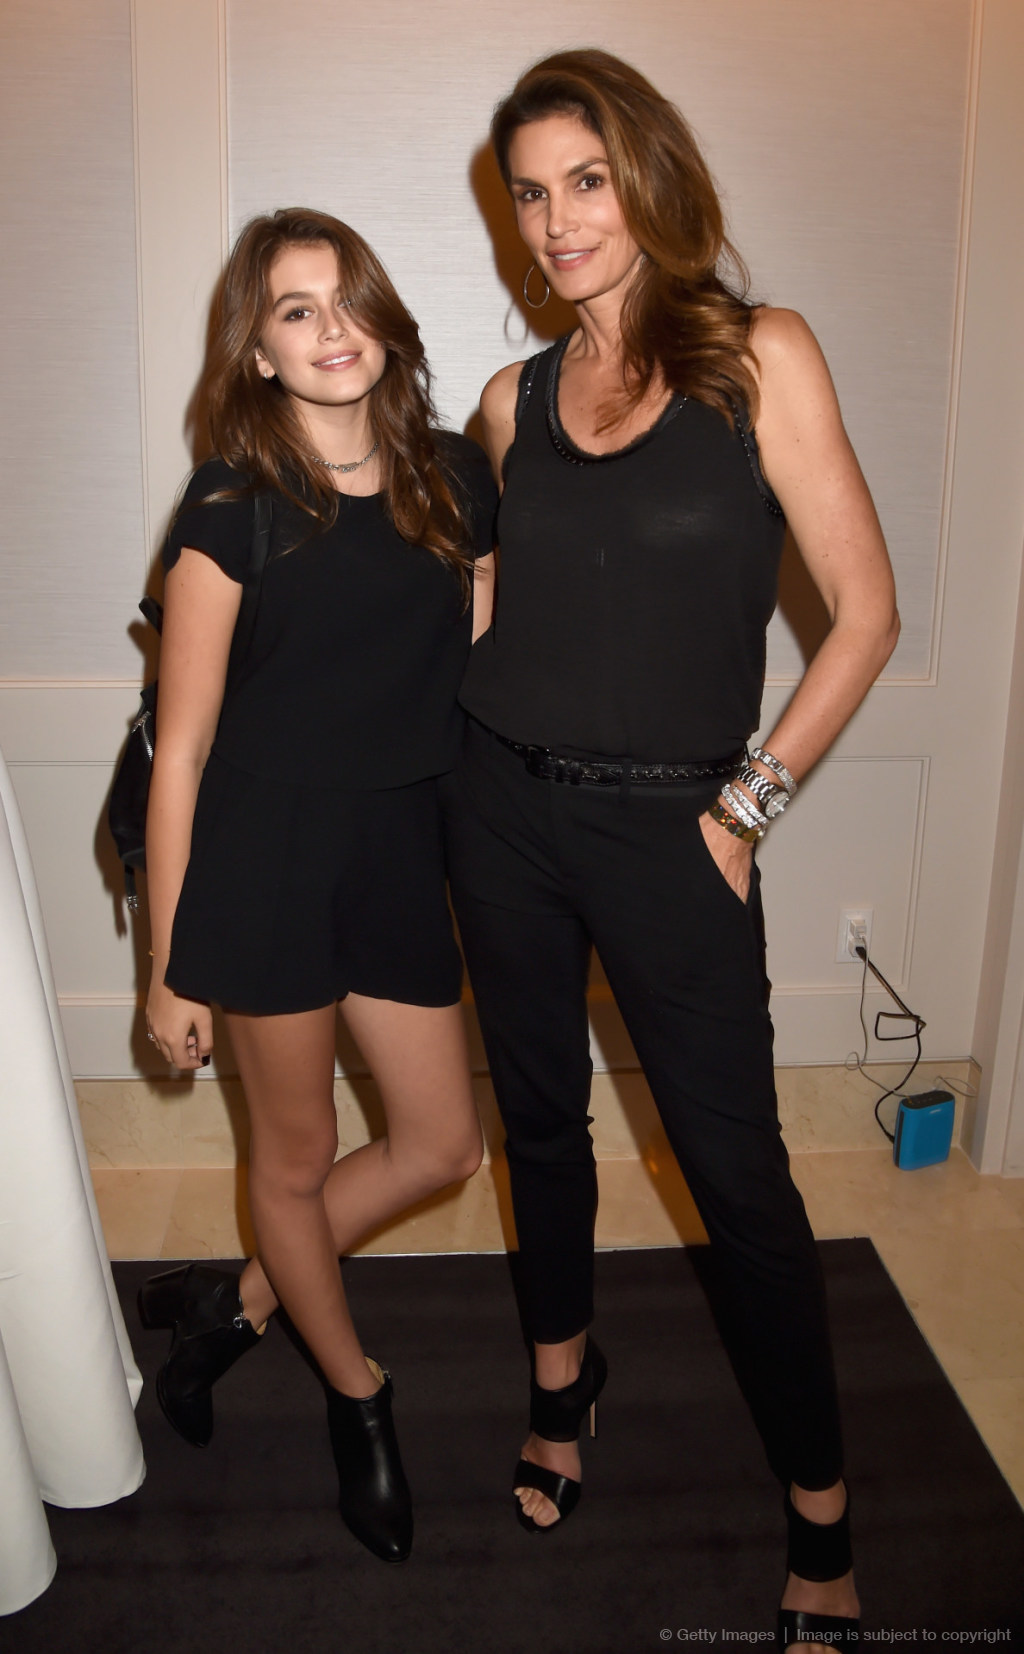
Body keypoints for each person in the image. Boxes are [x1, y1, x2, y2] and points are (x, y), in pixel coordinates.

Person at [445, 49, 898, 1650]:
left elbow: (866, 614)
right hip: (501, 810)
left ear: (649, 176)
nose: (557, 220)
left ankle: (824, 1516)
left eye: (586, 180)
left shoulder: (760, 358)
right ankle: (562, 1390)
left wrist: (742, 810)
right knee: (540, 1125)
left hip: (677, 829)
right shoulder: (509, 404)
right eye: (530, 193)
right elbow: (486, 621)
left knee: (737, 1179)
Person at [140, 207, 496, 1564]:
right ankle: (359, 1394)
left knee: (442, 1145)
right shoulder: (230, 504)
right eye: (296, 309)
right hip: (267, 863)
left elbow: (480, 676)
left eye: (349, 299)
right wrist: (169, 965)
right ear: (261, 350)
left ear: (384, 320)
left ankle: (234, 1306)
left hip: (399, 855)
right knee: (291, 1162)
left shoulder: (458, 479)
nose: (331, 329)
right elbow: (180, 753)